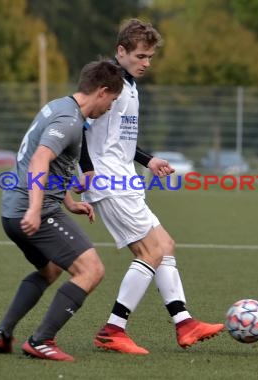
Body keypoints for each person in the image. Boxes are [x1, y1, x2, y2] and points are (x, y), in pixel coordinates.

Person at [78, 19, 224, 355]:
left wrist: (148, 160)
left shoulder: (129, 86)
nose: (146, 63)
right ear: (121, 51)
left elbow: (119, 139)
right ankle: (113, 329)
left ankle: (185, 323)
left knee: (165, 245)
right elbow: (82, 126)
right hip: (107, 180)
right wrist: (86, 170)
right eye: (141, 56)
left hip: (124, 177)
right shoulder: (107, 82)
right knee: (152, 251)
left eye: (150, 57)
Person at [0, 60, 123, 362]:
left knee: (50, 269)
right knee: (92, 271)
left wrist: (69, 202)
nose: (111, 108)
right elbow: (39, 160)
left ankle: (3, 334)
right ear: (101, 92)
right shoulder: (69, 121)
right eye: (112, 100)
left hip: (12, 211)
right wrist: (36, 209)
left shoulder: (58, 106)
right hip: (32, 210)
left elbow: (54, 165)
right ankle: (41, 340)